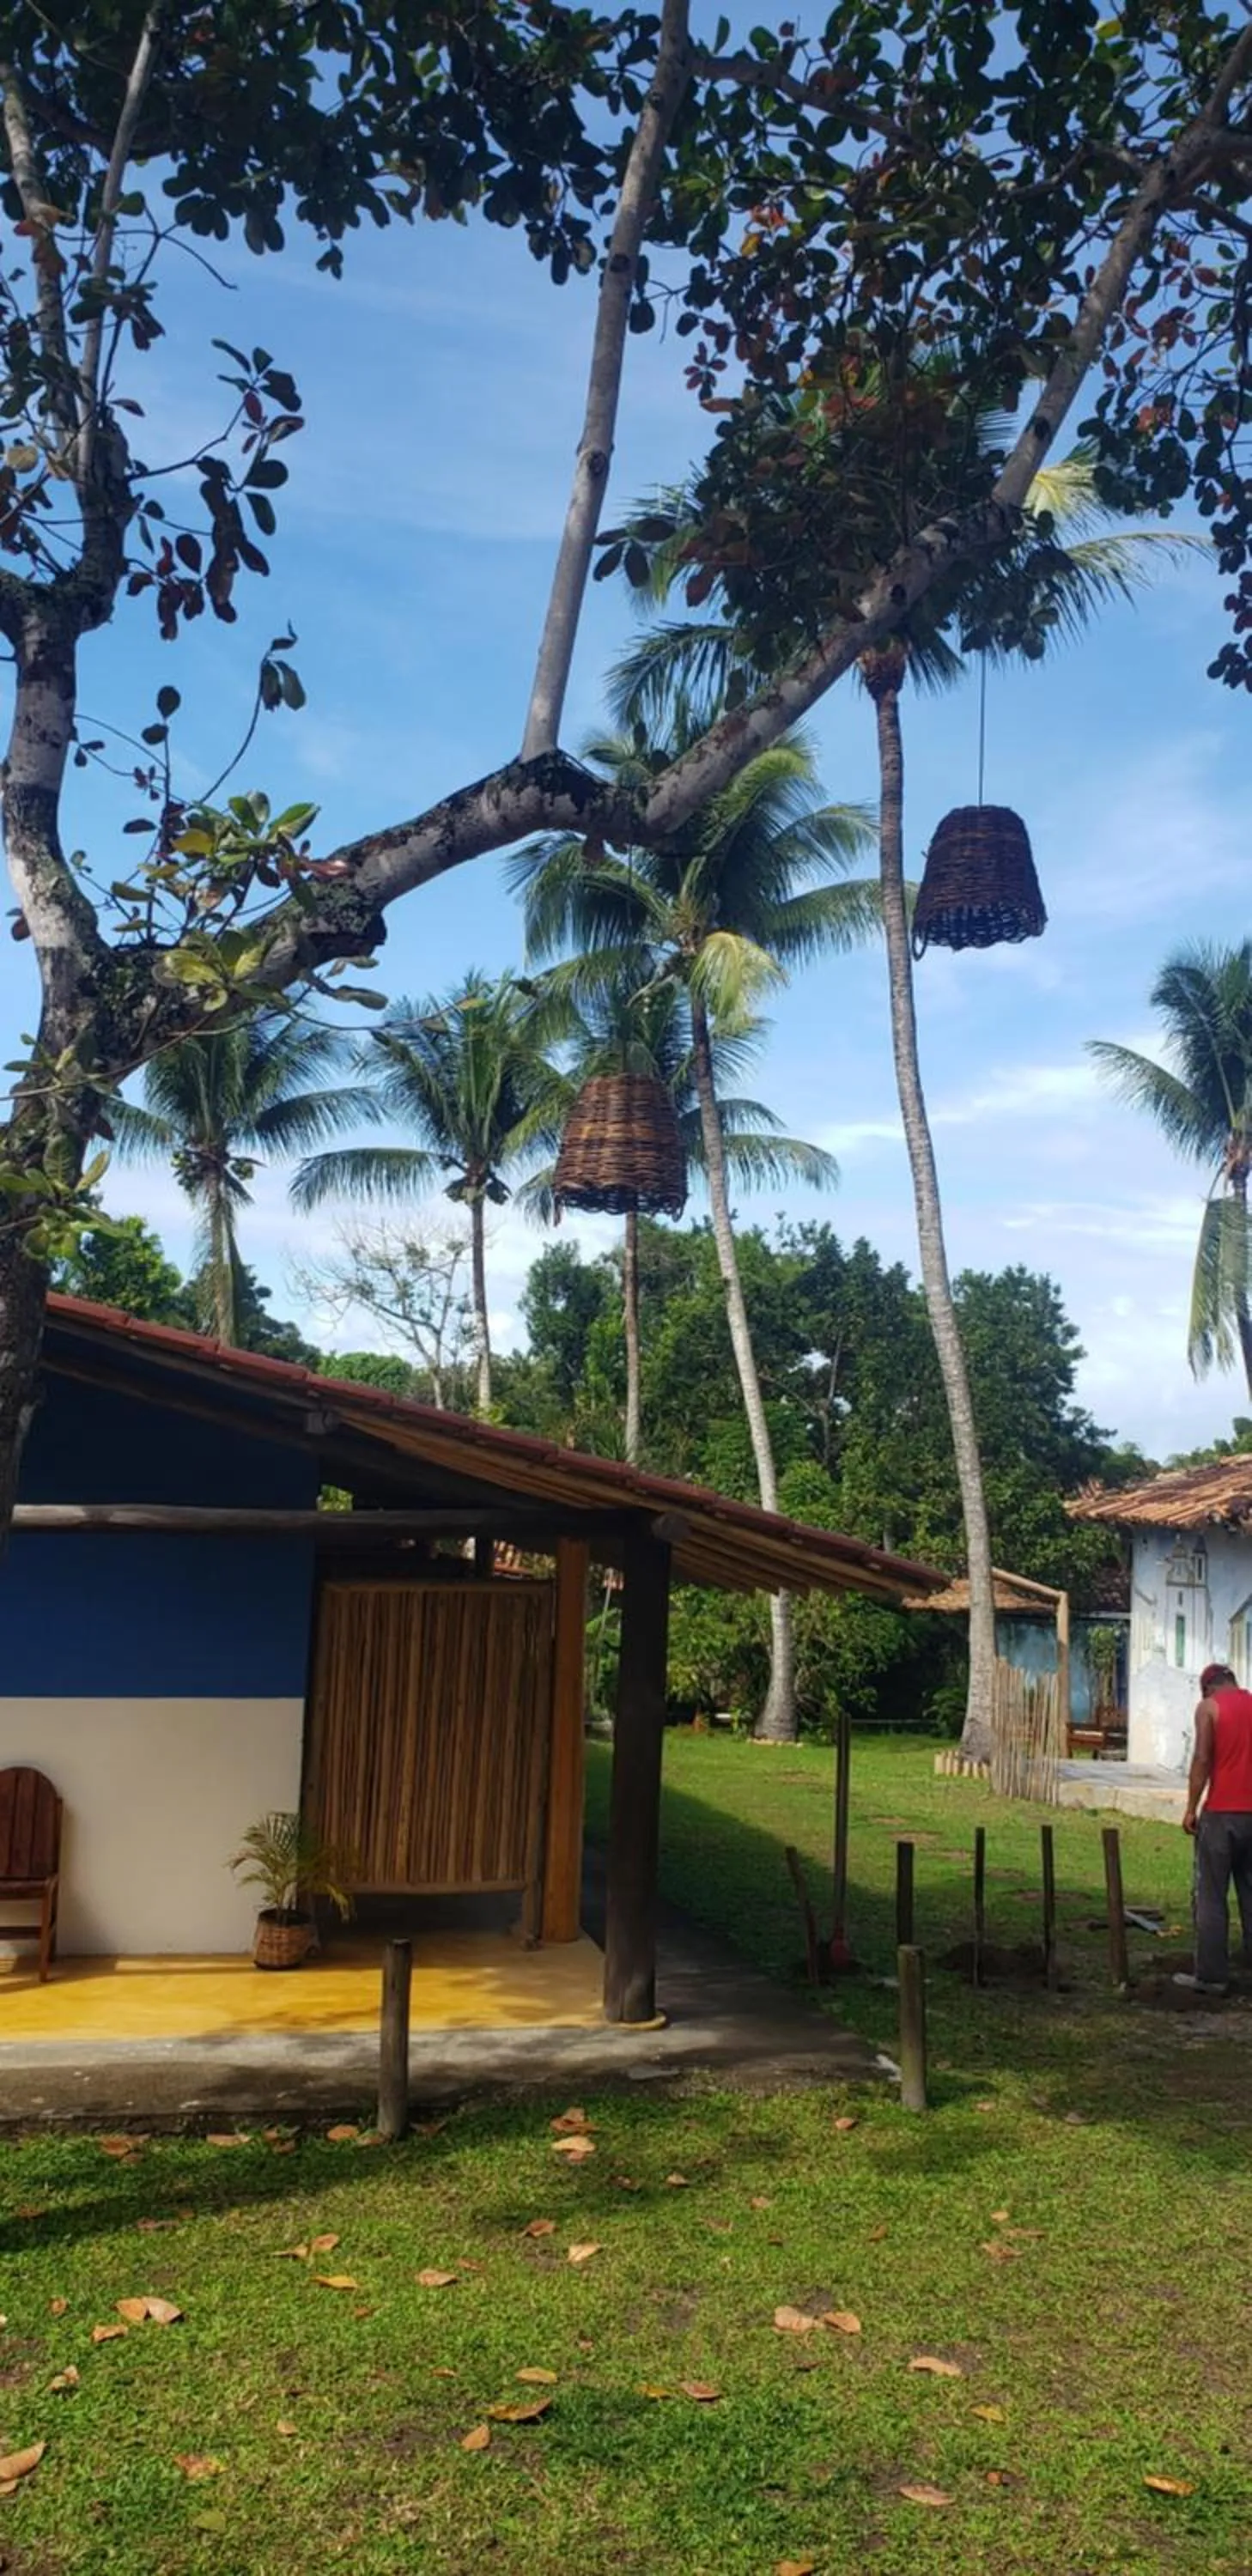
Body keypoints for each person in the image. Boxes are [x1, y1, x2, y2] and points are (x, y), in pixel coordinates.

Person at [1174, 1661, 1252, 1995]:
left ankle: (1211, 1975)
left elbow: (1203, 1758)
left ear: (1207, 1687)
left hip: (1221, 1813)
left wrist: (1191, 1807)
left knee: (1211, 1896)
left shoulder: (1208, 1708)